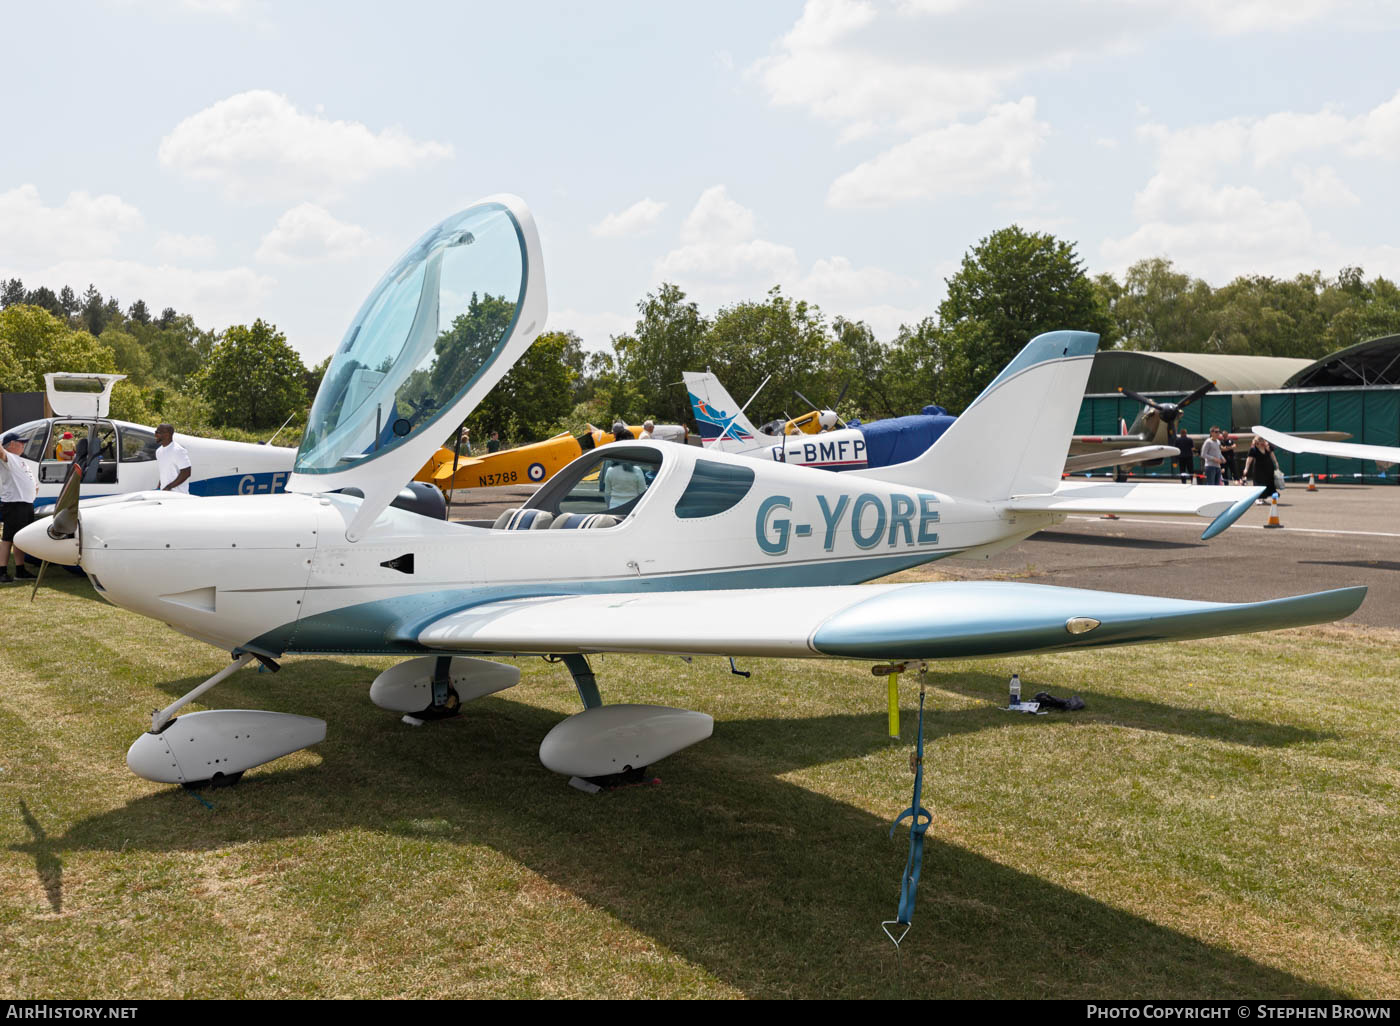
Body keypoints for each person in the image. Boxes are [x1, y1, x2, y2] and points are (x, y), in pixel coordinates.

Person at [0, 432, 37, 582]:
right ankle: (2, 571)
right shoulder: (8, 458)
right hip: (15, 503)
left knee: (19, 538)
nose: (23, 445)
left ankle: (20, 570)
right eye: (20, 442)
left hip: (25, 503)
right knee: (8, 538)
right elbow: (1, 452)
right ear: (12, 445)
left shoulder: (19, 460)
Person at [154, 423, 192, 493]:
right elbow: (164, 472)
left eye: (157, 432)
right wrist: (159, 487)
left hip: (179, 496)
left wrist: (169, 487)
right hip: (165, 493)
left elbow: (186, 472)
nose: (155, 435)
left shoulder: (178, 450)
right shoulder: (158, 451)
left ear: (167, 434)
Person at [1242, 436, 1278, 503]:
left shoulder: (1267, 448)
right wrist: (1246, 468)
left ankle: (1264, 498)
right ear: (1256, 443)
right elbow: (1249, 460)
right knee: (1259, 484)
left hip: (1268, 469)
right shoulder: (1253, 450)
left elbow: (1272, 456)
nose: (1260, 444)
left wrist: (1276, 463)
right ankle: (1258, 498)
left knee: (1268, 483)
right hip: (1258, 470)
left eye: (1262, 442)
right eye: (1258, 443)